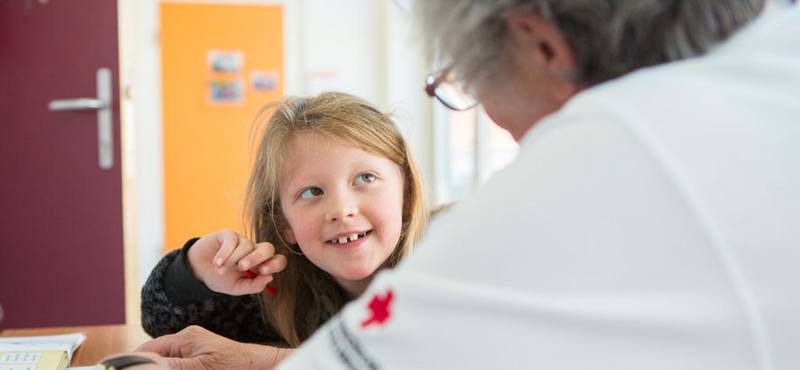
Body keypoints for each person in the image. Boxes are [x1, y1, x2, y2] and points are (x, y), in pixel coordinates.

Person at [117, 0, 800, 369]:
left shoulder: (602, 161)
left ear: (542, 46)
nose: (499, 124)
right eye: (311, 193)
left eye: (468, 87)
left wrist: (247, 362)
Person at [138, 91, 427, 365]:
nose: (341, 210)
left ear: (407, 193)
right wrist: (193, 274)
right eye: (312, 192)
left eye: (365, 178)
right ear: (284, 224)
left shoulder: (451, 258)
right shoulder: (284, 285)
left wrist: (270, 362)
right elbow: (161, 324)